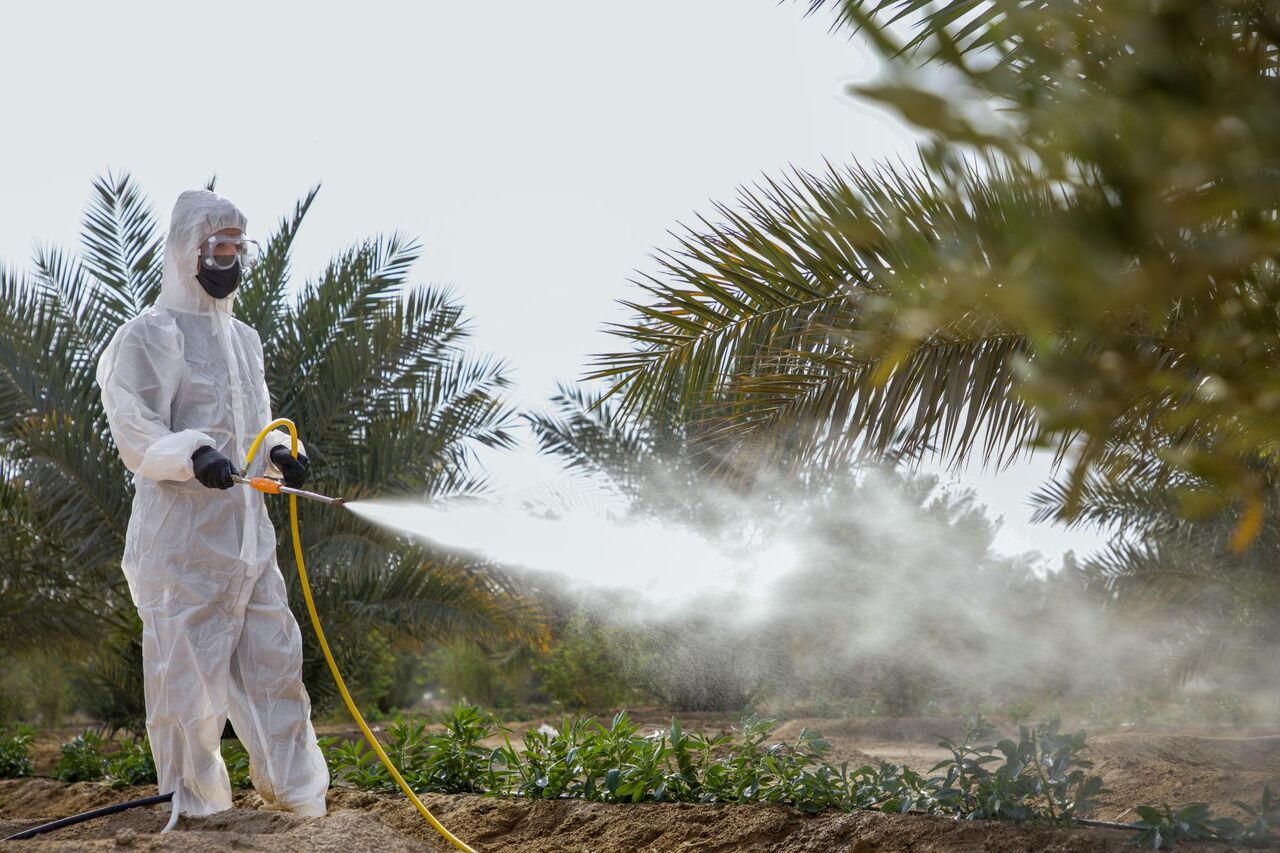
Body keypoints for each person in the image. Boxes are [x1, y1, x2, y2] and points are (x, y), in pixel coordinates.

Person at [96, 189, 329, 820]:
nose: (228, 258)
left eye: (236, 247)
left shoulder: (244, 340)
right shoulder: (149, 335)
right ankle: (195, 810)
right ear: (186, 250)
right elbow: (134, 424)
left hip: (248, 542)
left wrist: (277, 450)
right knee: (186, 687)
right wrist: (193, 454)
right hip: (183, 546)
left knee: (275, 668)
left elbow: (250, 417)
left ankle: (298, 805)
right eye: (217, 246)